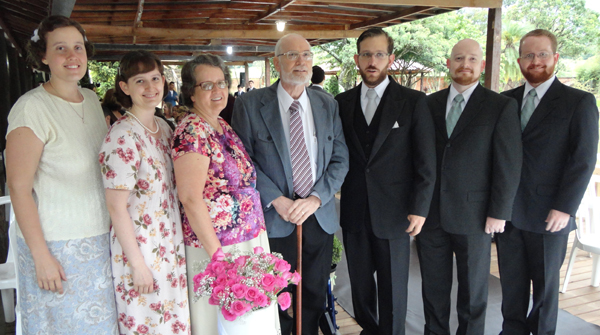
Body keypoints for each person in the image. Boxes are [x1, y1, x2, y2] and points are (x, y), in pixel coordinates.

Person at [5, 15, 118, 334]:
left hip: (98, 242)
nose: (72, 56)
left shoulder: (93, 101)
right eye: (60, 48)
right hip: (55, 245)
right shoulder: (31, 108)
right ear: (43, 55)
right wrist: (41, 256)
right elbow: (18, 187)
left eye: (78, 47)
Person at [232, 33, 349, 335]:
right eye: (292, 55)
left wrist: (315, 200)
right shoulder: (250, 104)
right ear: (276, 61)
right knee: (276, 295)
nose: (301, 62)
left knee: (312, 293)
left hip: (317, 215)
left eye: (307, 55)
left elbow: (340, 159)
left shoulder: (327, 104)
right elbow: (243, 161)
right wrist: (278, 200)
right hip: (275, 217)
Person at [416, 38, 523, 335]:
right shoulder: (428, 104)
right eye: (459, 58)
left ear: (482, 65)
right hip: (432, 215)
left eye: (472, 59)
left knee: (474, 293)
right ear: (449, 63)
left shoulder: (500, 106)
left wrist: (499, 212)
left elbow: (508, 164)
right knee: (433, 290)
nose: (465, 64)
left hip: (476, 216)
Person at [335, 27, 436, 335]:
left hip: (396, 214)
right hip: (354, 212)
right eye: (366, 54)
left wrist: (420, 208)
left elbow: (426, 161)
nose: (372, 61)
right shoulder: (341, 102)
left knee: (393, 291)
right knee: (361, 289)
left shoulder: (413, 101)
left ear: (390, 59)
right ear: (356, 59)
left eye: (379, 54)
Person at [497, 29, 599, 335]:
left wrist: (564, 209)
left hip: (549, 215)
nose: (535, 61)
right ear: (519, 61)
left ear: (555, 58)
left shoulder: (578, 102)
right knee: (511, 292)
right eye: (529, 55)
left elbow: (582, 161)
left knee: (544, 294)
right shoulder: (505, 102)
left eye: (542, 54)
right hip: (509, 214)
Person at [172, 54, 278, 335]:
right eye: (207, 85)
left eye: (221, 83)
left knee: (250, 322)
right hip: (218, 248)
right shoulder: (192, 130)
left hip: (245, 241)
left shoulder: (221, 125)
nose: (217, 91)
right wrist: (217, 257)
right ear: (191, 93)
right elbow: (190, 197)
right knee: (225, 322)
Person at [99, 51, 190, 335]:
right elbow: (116, 208)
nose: (151, 87)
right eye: (140, 81)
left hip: (169, 243)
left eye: (155, 79)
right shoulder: (122, 136)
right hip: (140, 249)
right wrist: (137, 266)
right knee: (149, 325)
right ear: (125, 87)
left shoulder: (163, 127)